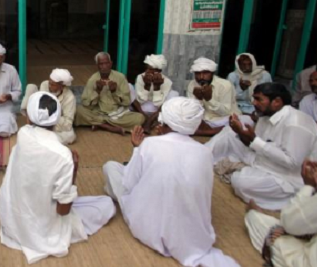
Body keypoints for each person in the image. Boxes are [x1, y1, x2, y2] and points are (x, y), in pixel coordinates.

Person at [103, 98, 239, 267]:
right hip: (190, 233)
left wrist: (137, 148)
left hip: (147, 228)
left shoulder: (149, 144)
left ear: (162, 121)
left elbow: (129, 183)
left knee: (111, 168)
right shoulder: (205, 153)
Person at [0, 91, 116, 264]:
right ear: (57, 119)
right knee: (106, 204)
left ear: (29, 118)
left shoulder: (23, 133)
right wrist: (73, 170)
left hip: (13, 217)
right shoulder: (62, 155)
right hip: (41, 230)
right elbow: (63, 211)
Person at [205, 83, 317, 210]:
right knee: (229, 133)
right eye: (254, 98)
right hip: (265, 161)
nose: (254, 103)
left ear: (277, 102)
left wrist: (254, 140)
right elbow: (255, 145)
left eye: (258, 99)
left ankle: (297, 198)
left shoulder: (296, 123)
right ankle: (201, 156)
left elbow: (292, 162)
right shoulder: (265, 116)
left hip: (289, 177)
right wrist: (241, 133)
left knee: (241, 183)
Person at [245, 160, 317, 267]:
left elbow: (289, 224)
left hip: (312, 262)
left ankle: (255, 214)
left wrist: (309, 186)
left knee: (256, 220)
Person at [75, 52, 145, 135]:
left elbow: (127, 102)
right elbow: (86, 103)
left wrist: (115, 92)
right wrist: (97, 91)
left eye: (106, 63)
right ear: (97, 66)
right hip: (98, 112)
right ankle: (109, 127)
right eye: (101, 64)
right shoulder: (93, 79)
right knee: (78, 110)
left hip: (118, 114)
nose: (104, 66)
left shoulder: (120, 77)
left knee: (140, 118)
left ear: (111, 63)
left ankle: (100, 125)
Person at [186, 57, 242, 135]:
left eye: (205, 73)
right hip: (203, 119)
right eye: (198, 73)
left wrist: (209, 99)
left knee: (234, 121)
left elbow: (225, 112)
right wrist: (198, 99)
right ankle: (213, 131)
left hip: (221, 119)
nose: (201, 77)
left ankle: (209, 131)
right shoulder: (192, 85)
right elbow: (192, 111)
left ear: (212, 73)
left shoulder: (225, 85)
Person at [21, 68, 77, 144]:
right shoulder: (45, 84)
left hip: (53, 123)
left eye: (53, 84)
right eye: (49, 82)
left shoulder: (70, 98)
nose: (49, 85)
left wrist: (51, 119)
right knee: (31, 87)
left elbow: (68, 123)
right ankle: (29, 127)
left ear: (62, 86)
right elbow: (40, 104)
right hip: (39, 116)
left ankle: (38, 135)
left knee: (70, 136)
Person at [131, 54, 178, 133]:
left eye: (151, 70)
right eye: (147, 69)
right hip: (141, 108)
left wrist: (157, 87)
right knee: (128, 87)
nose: (147, 72)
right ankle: (147, 119)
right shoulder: (140, 77)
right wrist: (147, 86)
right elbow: (140, 101)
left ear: (158, 71)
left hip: (157, 110)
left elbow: (158, 104)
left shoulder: (167, 82)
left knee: (174, 94)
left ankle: (150, 120)